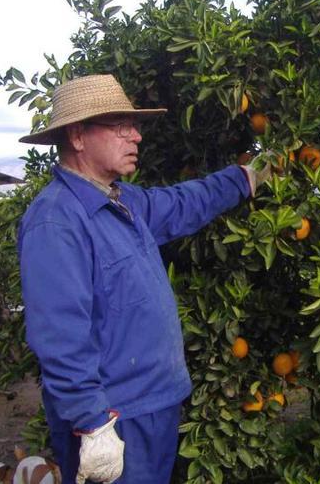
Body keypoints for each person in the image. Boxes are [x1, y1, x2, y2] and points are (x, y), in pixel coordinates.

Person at [17, 75, 271, 484]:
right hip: (115, 419)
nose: (135, 135)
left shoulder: (123, 201)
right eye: (120, 125)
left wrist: (247, 177)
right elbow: (60, 335)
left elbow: (185, 203)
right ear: (78, 135)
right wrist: (92, 424)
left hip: (155, 405)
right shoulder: (57, 220)